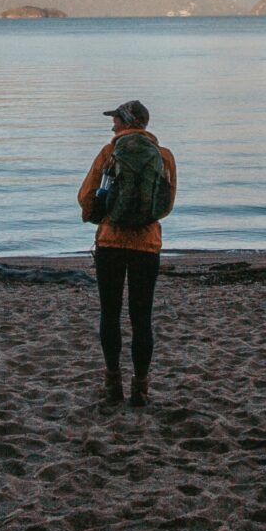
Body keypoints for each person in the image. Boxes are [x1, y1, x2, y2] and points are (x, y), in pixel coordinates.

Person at [76, 98, 177, 407]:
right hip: (147, 245)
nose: (112, 124)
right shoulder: (163, 156)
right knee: (141, 316)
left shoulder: (109, 153)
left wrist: (99, 212)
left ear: (128, 122)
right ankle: (141, 388)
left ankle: (112, 384)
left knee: (110, 313)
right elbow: (166, 205)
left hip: (110, 243)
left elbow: (85, 197)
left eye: (116, 119)